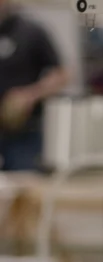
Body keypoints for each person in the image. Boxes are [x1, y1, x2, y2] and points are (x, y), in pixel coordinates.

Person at [0, 1, 68, 171]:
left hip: (23, 134)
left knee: (24, 180)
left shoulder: (31, 32)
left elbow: (61, 75)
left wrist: (30, 95)